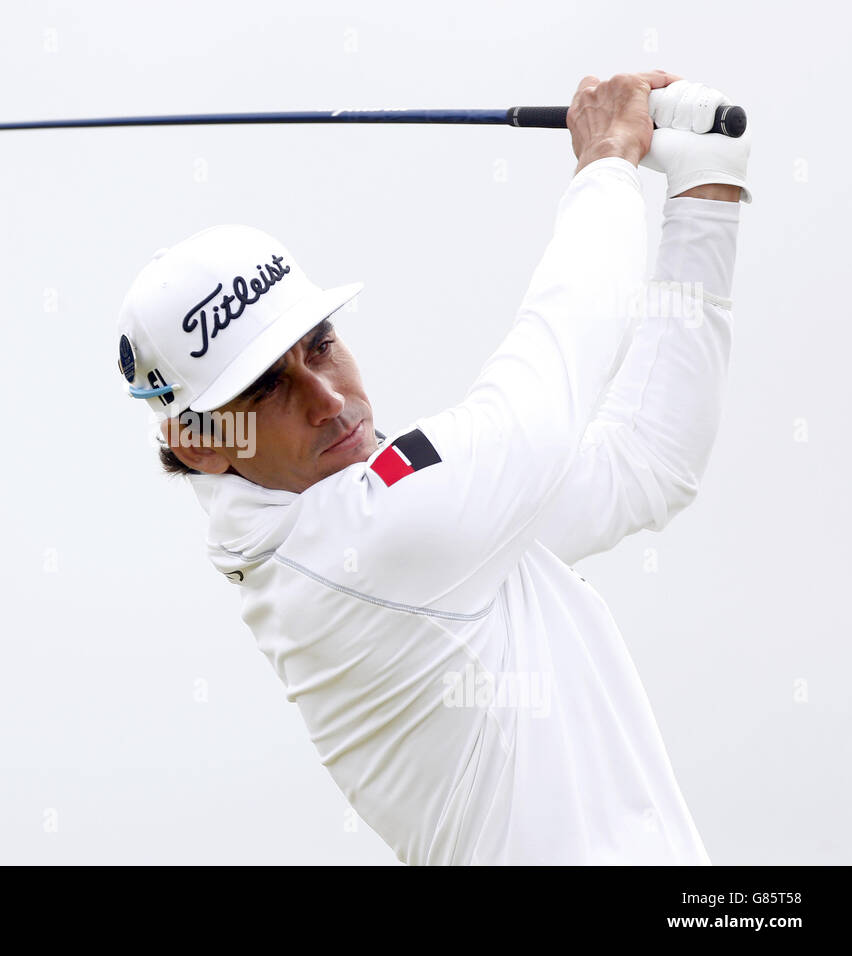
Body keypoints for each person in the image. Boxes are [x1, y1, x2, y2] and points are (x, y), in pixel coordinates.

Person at [113, 71, 749, 864]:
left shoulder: (391, 523)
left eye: (320, 346)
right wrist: (607, 164)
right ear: (202, 443)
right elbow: (546, 392)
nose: (327, 397)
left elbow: (648, 462)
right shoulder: (369, 540)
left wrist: (705, 193)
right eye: (270, 386)